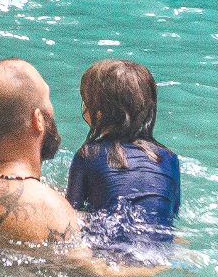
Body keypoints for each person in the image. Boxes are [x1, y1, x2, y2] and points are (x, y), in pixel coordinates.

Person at [0, 57, 166, 277]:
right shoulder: (51, 210)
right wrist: (162, 266)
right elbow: (97, 272)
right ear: (38, 119)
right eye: (48, 100)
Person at [66, 59, 181, 257]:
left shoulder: (88, 154)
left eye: (85, 101)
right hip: (158, 255)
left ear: (98, 113)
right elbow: (171, 214)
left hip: (109, 256)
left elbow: (71, 212)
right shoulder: (169, 159)